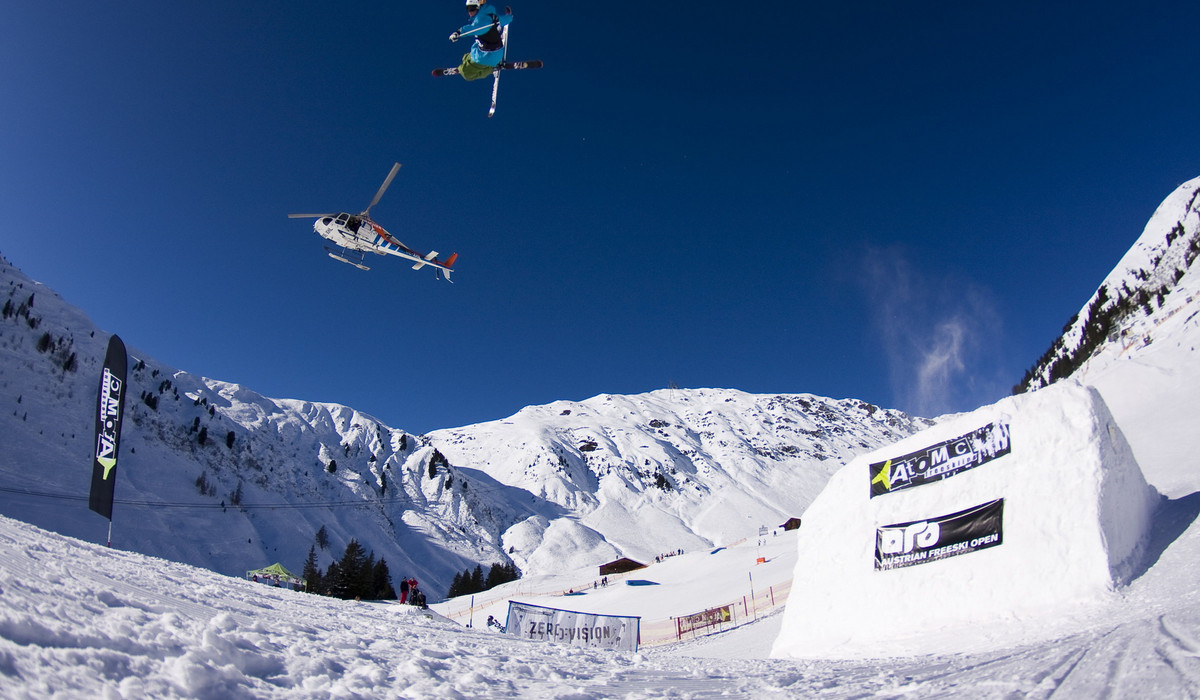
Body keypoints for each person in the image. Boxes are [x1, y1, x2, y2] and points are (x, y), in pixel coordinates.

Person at [449, 0, 513, 81]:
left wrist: (458, 32)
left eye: (472, 8)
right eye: (468, 8)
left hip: (485, 58)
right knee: (466, 57)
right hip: (495, 53)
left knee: (466, 74)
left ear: (479, 7)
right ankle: (470, 64)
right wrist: (509, 17)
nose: (469, 12)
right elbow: (505, 20)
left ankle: (491, 69)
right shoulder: (492, 15)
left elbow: (472, 29)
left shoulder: (481, 21)